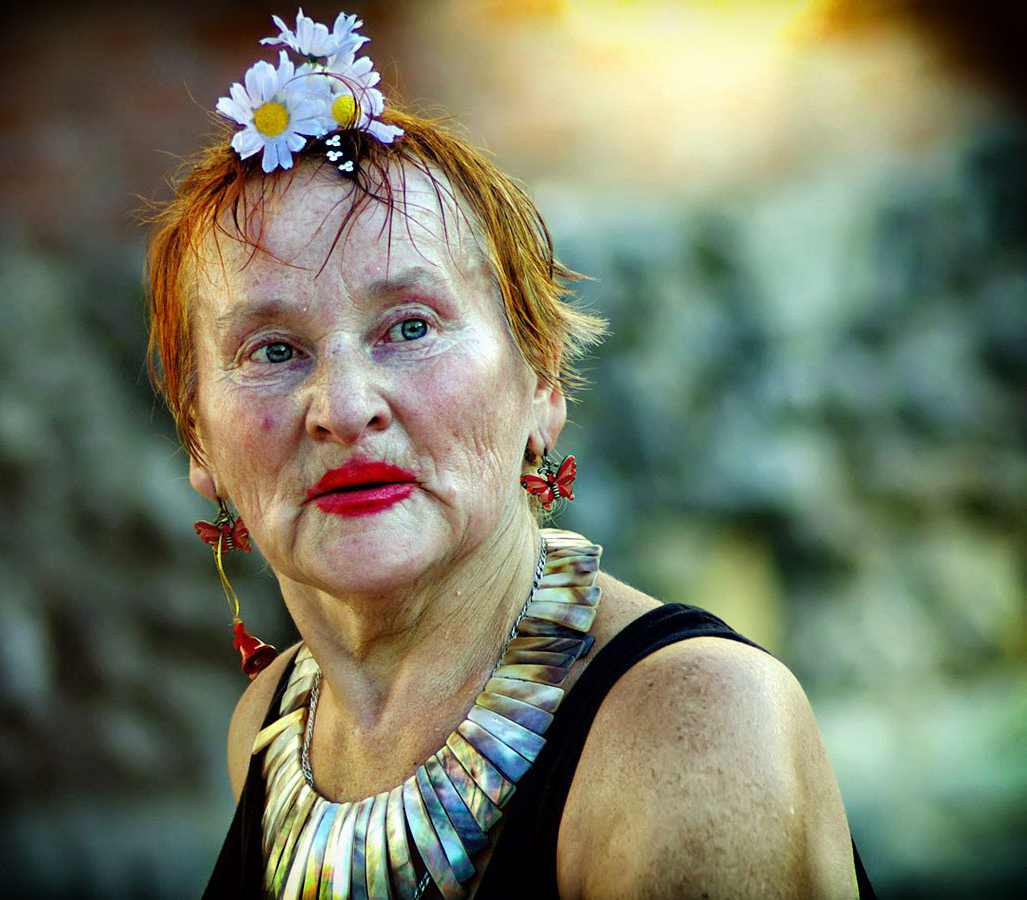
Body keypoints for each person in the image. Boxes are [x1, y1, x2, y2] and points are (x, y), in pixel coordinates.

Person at [146, 11, 875, 899]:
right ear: (198, 438)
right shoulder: (268, 730)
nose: (343, 408)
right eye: (272, 350)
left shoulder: (695, 726)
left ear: (540, 382)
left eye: (409, 328)